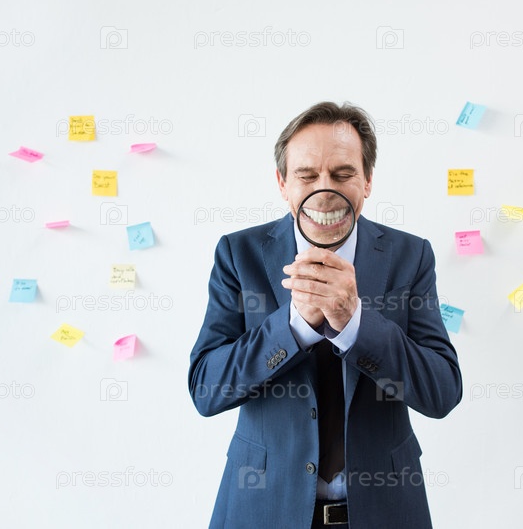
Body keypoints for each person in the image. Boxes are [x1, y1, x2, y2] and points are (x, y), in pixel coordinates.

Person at [189, 101, 462, 529]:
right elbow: (207, 389)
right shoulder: (238, 254)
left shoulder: (411, 256)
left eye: (343, 173)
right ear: (283, 183)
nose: (325, 189)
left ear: (367, 181)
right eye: (306, 175)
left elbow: (441, 391)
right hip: (264, 509)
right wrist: (294, 326)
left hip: (384, 512)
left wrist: (355, 323)